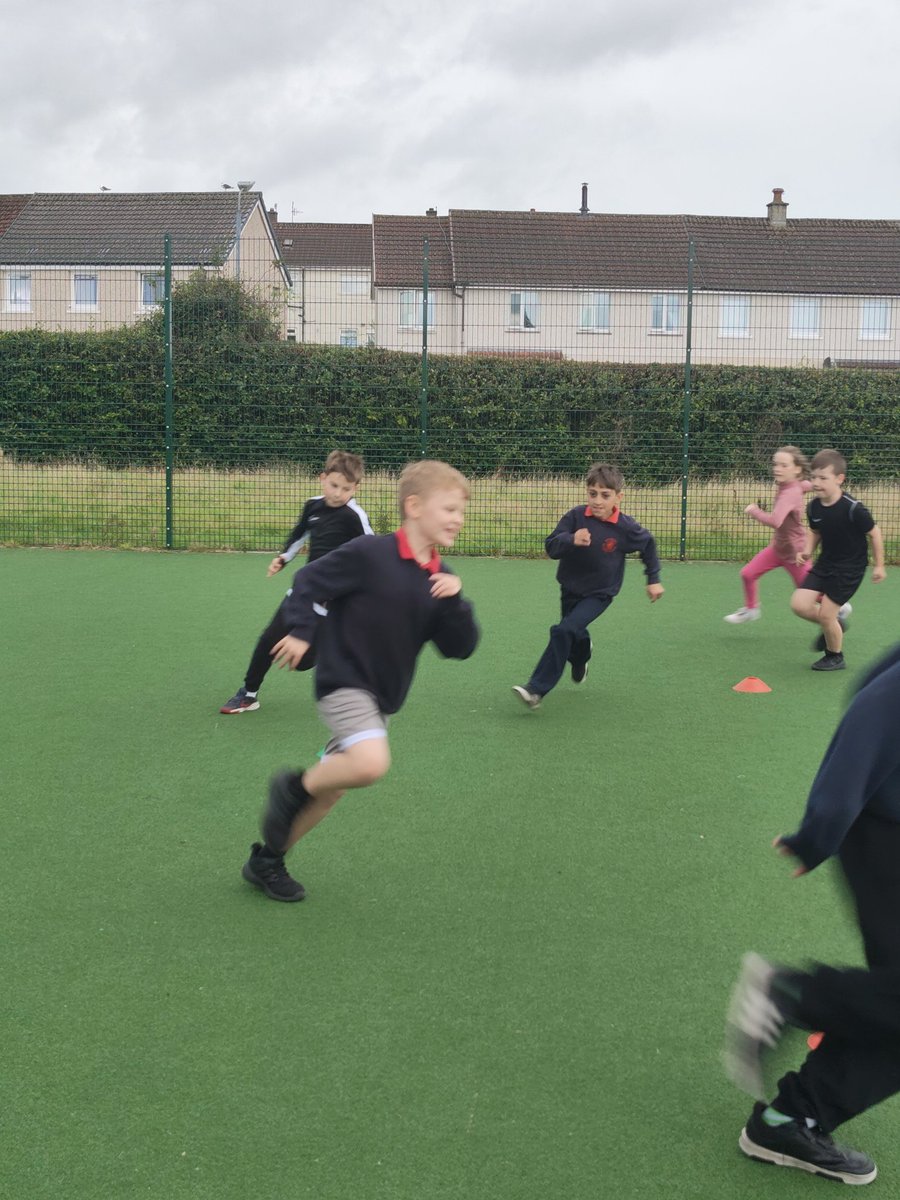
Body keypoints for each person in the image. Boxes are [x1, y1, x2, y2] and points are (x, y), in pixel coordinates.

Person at [241, 460, 479, 902]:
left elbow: (459, 647)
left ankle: (267, 860)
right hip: (344, 680)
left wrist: (455, 601)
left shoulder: (437, 577)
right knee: (371, 764)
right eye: (448, 509)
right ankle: (292, 787)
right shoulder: (372, 554)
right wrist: (300, 630)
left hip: (382, 699)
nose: (457, 519)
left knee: (330, 792)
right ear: (414, 506)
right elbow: (309, 580)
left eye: (461, 511)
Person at [724, 643, 900, 1187]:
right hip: (885, 838)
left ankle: (789, 1119)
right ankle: (789, 993)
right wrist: (817, 834)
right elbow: (869, 722)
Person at [220, 450, 372, 714]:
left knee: (302, 662)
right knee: (269, 639)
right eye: (334, 485)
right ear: (322, 478)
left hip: (334, 600)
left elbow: (372, 549)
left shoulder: (354, 515)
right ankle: (248, 694)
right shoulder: (312, 506)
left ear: (355, 488)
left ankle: (333, 653)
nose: (338, 493)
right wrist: (283, 558)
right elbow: (299, 535)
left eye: (346, 489)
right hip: (303, 591)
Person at [511, 462, 663, 710]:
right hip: (570, 588)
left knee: (563, 630)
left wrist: (653, 578)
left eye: (605, 495)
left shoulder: (625, 527)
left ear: (618, 497)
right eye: (593, 494)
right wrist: (571, 539)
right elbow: (551, 547)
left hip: (600, 594)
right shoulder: (576, 517)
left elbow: (648, 544)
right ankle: (581, 657)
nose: (598, 501)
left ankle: (535, 690)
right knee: (574, 632)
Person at [789, 449, 885, 672]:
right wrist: (807, 551)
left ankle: (835, 656)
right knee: (799, 605)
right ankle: (835, 624)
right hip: (825, 564)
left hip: (850, 569)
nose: (817, 482)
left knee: (826, 614)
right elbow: (815, 531)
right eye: (814, 477)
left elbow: (875, 534)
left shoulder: (853, 508)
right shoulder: (813, 507)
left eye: (823, 478)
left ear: (839, 479)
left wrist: (879, 565)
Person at [724, 446, 815, 624]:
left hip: (795, 554)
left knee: (808, 592)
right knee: (748, 574)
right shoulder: (792, 485)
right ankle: (751, 610)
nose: (777, 469)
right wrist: (817, 485)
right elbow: (804, 486)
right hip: (778, 549)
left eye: (784, 465)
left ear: (797, 469)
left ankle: (839, 606)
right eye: (775, 464)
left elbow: (775, 521)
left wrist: (754, 511)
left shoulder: (789, 493)